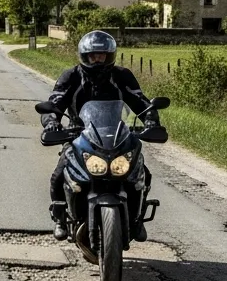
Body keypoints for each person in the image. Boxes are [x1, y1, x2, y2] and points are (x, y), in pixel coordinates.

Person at [42, 30, 159, 242]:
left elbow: (140, 102)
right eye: (93, 56)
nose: (97, 60)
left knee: (141, 172)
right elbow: (55, 103)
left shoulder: (122, 76)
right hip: (79, 136)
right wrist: (52, 122)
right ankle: (60, 218)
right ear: (84, 56)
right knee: (59, 174)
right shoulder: (71, 76)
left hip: (117, 135)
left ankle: (137, 218)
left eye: (102, 55)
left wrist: (150, 118)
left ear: (110, 55)